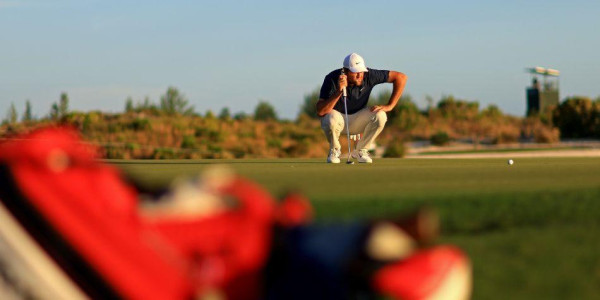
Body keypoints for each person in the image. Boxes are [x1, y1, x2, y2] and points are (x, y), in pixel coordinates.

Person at [316, 53, 407, 163]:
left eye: (361, 71)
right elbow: (320, 111)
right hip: (338, 121)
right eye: (355, 72)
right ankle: (334, 150)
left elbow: (401, 77)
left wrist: (390, 106)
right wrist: (339, 91)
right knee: (330, 117)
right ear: (345, 71)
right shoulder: (332, 78)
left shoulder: (369, 75)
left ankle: (361, 150)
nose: (360, 75)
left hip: (358, 119)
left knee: (380, 115)